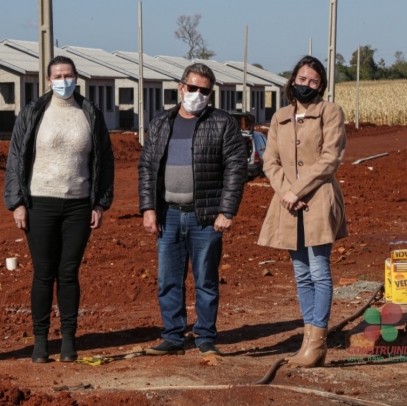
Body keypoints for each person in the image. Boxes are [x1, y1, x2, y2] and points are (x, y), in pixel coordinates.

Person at [4, 55, 114, 363]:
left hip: (78, 205)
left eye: (68, 75)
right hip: (40, 204)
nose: (63, 80)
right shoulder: (34, 112)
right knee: (43, 273)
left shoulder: (89, 112)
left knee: (68, 272)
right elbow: (16, 158)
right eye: (57, 76)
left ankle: (68, 340)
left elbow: (104, 159)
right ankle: (40, 340)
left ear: (77, 77)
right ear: (48, 80)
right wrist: (18, 203)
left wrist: (99, 203)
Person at [138, 63, 247, 356]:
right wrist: (148, 208)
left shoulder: (223, 123)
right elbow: (147, 168)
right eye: (194, 87)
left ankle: (205, 335)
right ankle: (173, 335)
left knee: (206, 280)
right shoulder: (161, 123)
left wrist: (227, 210)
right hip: (168, 214)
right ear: (181, 87)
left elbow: (236, 168)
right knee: (168, 279)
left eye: (205, 90)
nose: (198, 94)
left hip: (206, 217)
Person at [257, 55, 347, 368]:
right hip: (288, 205)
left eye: (313, 81)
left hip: (318, 199)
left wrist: (299, 190)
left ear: (320, 85)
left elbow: (330, 158)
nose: (305, 84)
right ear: (292, 80)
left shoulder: (330, 113)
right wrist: (286, 193)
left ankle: (318, 341)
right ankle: (308, 341)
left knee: (319, 271)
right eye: (302, 78)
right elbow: (270, 161)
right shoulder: (280, 117)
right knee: (301, 274)